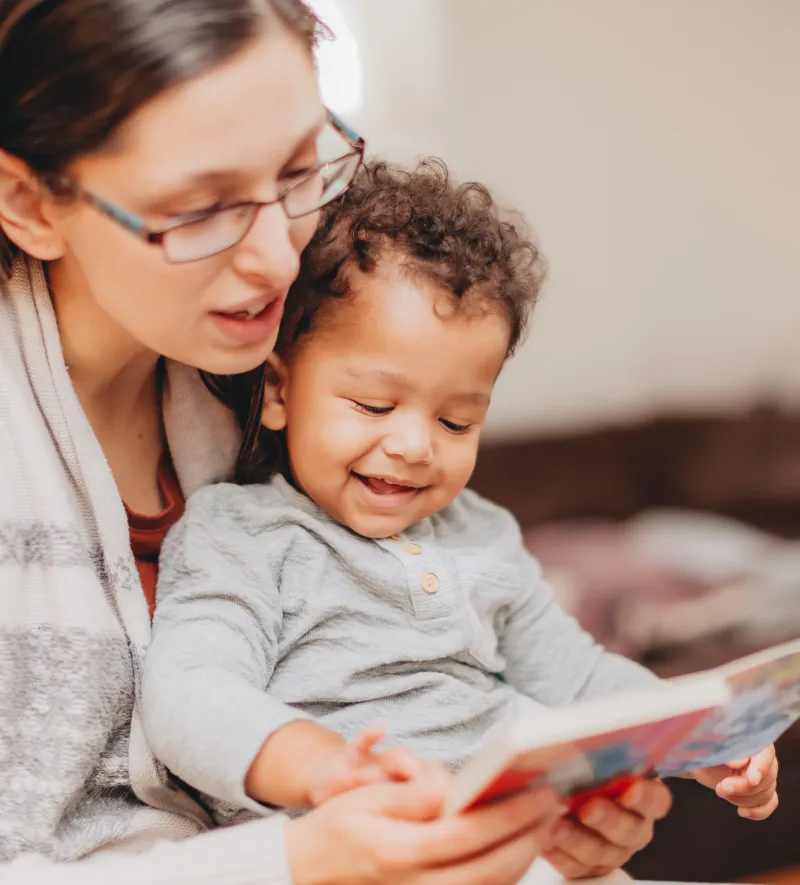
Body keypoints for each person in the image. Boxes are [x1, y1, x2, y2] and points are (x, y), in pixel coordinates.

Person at [0, 0, 680, 882]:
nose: (280, 260)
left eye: (297, 173)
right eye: (203, 209)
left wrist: (555, 821)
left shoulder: (293, 352)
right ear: (27, 201)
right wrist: (297, 859)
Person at [142, 159, 779, 869]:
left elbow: (582, 679)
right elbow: (188, 691)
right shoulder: (242, 535)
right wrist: (320, 766)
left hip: (522, 851)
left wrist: (699, 736)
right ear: (281, 389)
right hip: (364, 857)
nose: (414, 445)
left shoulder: (483, 534)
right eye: (375, 405)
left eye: (456, 421)